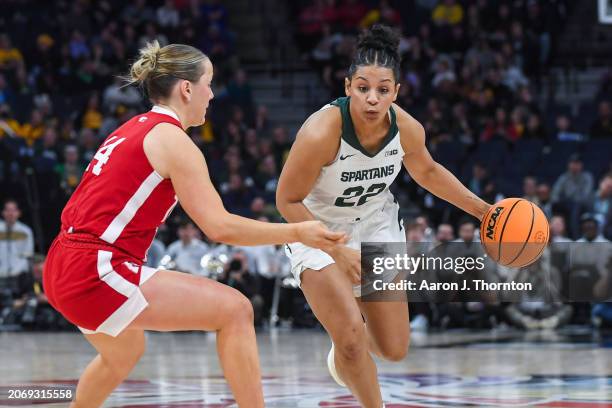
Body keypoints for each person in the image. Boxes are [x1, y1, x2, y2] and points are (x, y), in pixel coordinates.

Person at [42, 41, 347, 408]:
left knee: (123, 352)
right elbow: (219, 227)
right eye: (208, 83)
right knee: (235, 309)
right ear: (187, 88)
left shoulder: (132, 127)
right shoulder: (174, 141)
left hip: (61, 263)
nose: (212, 94)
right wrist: (298, 231)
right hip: (95, 269)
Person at [276, 25, 490, 408]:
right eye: (362, 88)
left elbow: (427, 172)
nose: (372, 99)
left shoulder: (406, 128)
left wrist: (484, 211)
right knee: (353, 339)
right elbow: (286, 200)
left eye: (383, 90)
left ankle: (342, 348)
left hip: (377, 224)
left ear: (396, 92)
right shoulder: (321, 132)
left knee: (393, 349)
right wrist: (335, 249)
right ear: (347, 87)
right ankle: (355, 362)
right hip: (316, 226)